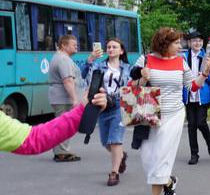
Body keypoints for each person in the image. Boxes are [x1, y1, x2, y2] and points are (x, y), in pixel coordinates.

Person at [132, 27, 210, 195]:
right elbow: (132, 87)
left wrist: (205, 73)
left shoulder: (180, 61)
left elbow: (192, 87)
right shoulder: (145, 60)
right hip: (149, 113)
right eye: (176, 43)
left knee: (161, 156)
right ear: (164, 44)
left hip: (174, 115)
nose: (180, 46)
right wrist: (142, 78)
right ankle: (168, 182)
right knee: (148, 158)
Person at [83, 38, 132, 185]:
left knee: (115, 139)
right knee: (105, 142)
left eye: (114, 47)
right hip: (102, 104)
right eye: (109, 47)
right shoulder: (99, 66)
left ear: (121, 51)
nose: (111, 49)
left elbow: (135, 81)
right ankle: (121, 155)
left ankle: (114, 173)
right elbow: (85, 76)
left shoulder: (127, 68)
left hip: (120, 104)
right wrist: (90, 60)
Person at [1, 90, 108, 155]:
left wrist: (82, 110)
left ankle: (60, 152)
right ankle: (61, 152)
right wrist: (81, 110)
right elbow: (34, 138)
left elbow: (33, 138)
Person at [182, 31, 210, 165]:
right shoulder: (184, 58)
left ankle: (209, 140)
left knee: (200, 122)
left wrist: (206, 73)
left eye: (200, 41)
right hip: (189, 95)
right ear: (189, 42)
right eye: (194, 40)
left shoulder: (207, 58)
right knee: (191, 126)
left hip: (203, 96)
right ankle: (194, 154)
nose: (197, 43)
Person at [48, 34, 83, 162]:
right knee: (64, 125)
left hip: (58, 97)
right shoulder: (63, 59)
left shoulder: (58, 57)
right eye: (74, 45)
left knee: (61, 124)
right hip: (63, 98)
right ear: (63, 45)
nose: (76, 47)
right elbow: (67, 80)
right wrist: (74, 99)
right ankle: (62, 153)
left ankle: (60, 151)